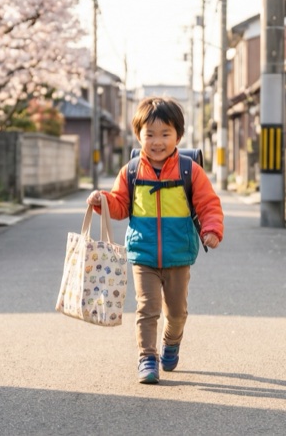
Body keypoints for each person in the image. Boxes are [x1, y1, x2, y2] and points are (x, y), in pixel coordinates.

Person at [87, 96, 224, 384]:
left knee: (176, 313)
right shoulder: (132, 171)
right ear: (139, 136)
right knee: (146, 308)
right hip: (143, 254)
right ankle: (147, 358)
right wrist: (102, 201)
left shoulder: (190, 171)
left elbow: (208, 204)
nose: (157, 141)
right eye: (150, 134)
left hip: (179, 255)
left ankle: (171, 342)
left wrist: (211, 229)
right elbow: (121, 204)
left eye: (165, 134)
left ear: (178, 135)